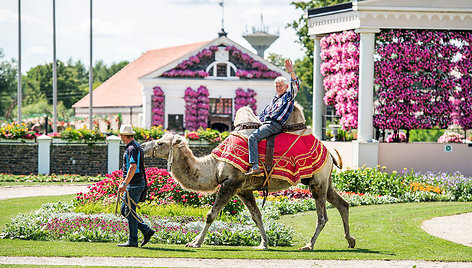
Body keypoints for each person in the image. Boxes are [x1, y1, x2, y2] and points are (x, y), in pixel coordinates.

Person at [245, 59, 299, 176]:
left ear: (286, 87)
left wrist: (291, 72)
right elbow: (263, 114)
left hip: (274, 125)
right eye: (277, 86)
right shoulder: (274, 100)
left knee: (252, 138)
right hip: (266, 123)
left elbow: (295, 86)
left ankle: (255, 167)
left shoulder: (288, 96)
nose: (278, 88)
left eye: (281, 86)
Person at [117, 124, 155, 247]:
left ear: (124, 136)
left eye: (121, 135)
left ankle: (133, 240)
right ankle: (145, 230)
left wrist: (124, 183)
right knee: (125, 210)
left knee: (129, 211)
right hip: (136, 182)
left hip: (135, 183)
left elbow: (133, 167)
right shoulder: (136, 146)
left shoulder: (131, 148)